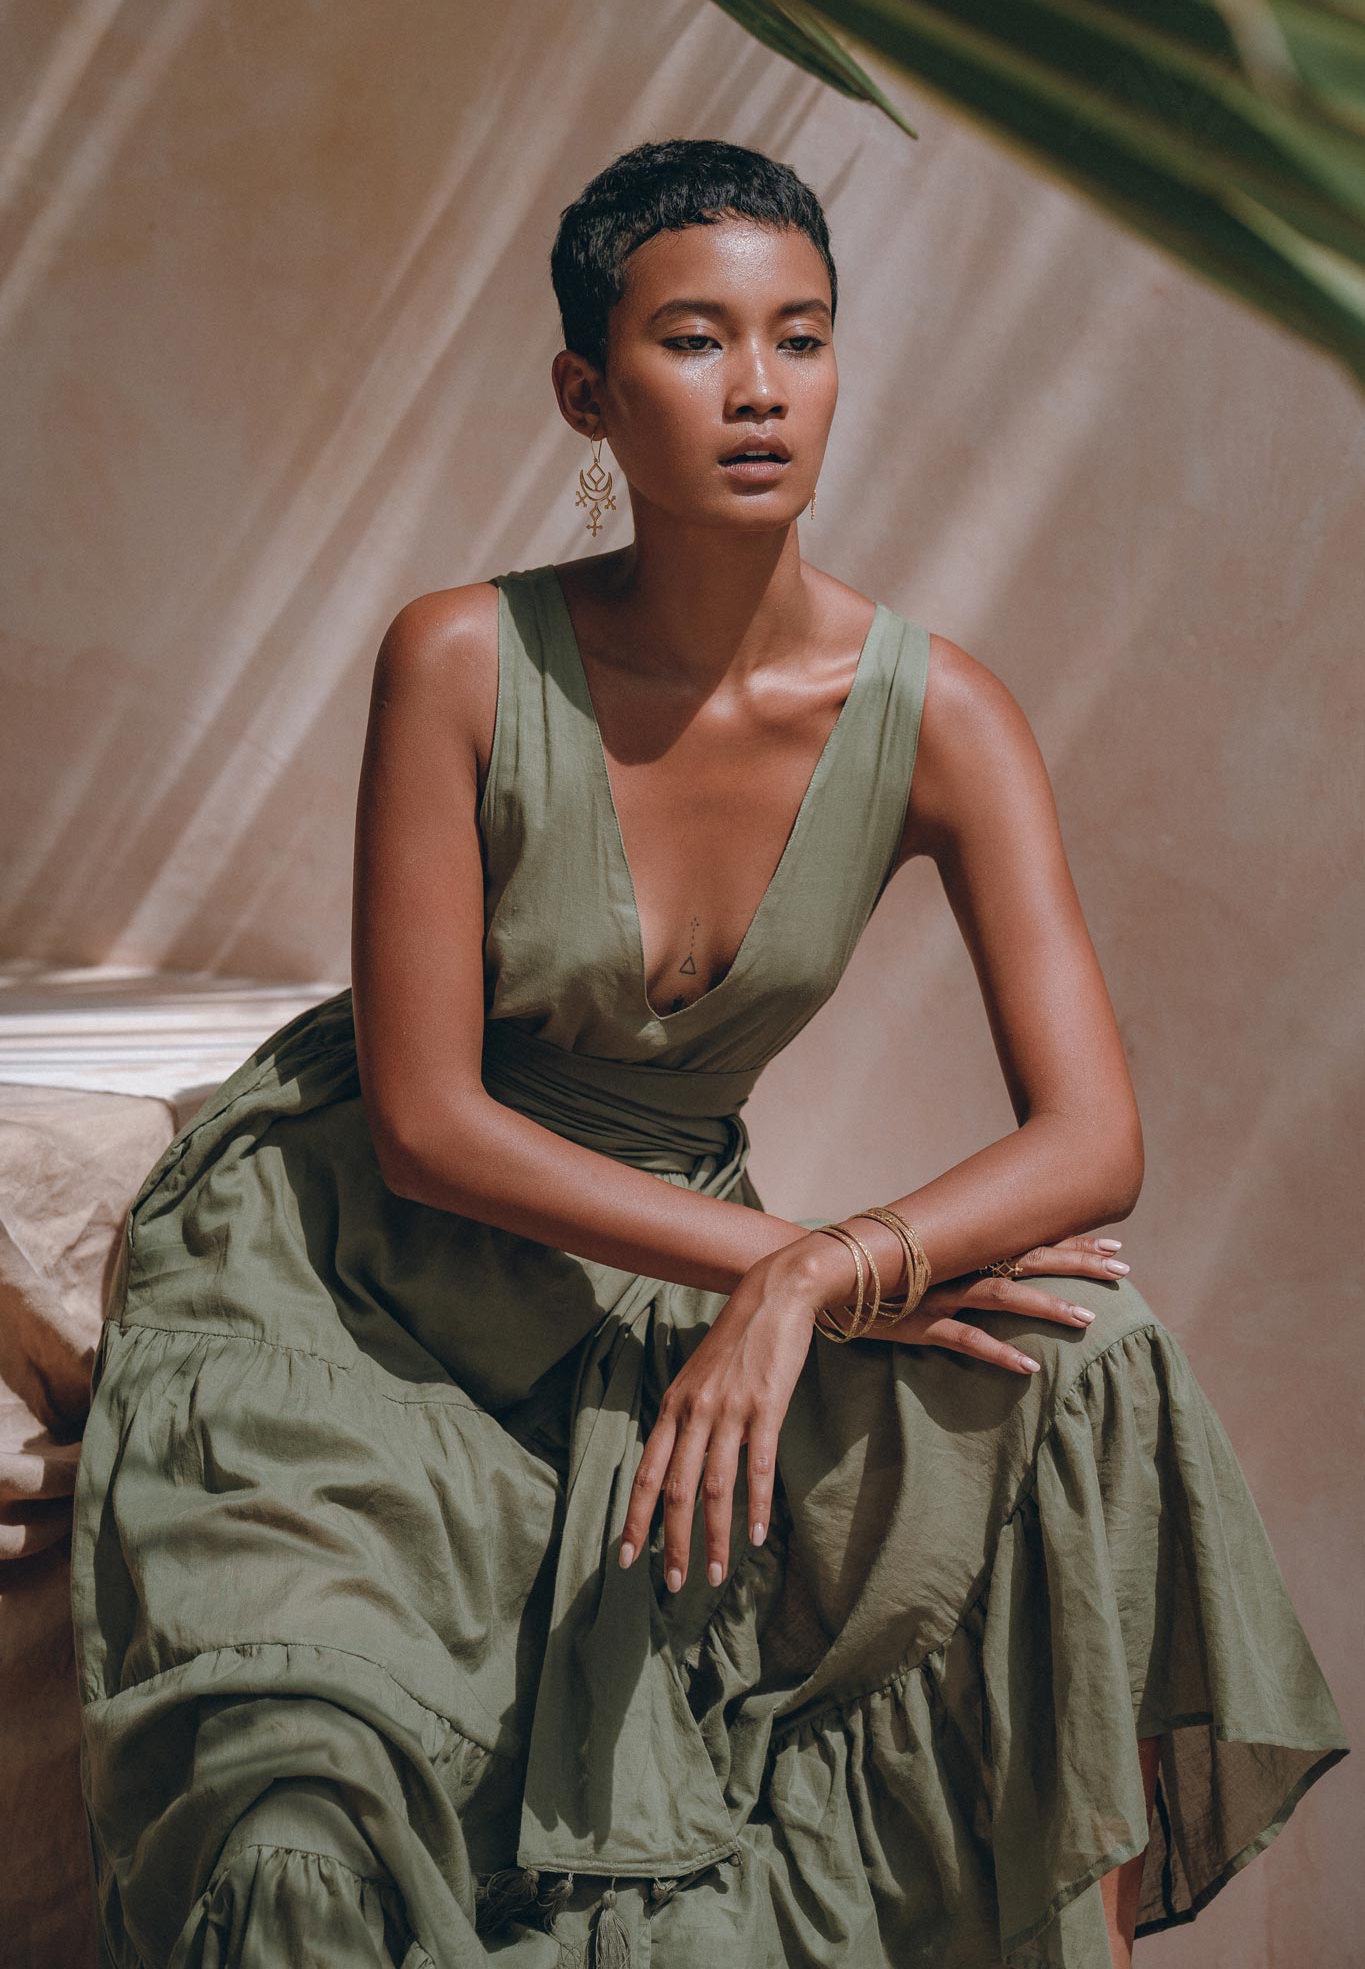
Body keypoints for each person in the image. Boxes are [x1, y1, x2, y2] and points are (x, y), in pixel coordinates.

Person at [70, 137, 1347, 1969]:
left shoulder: (940, 717)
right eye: (693, 339)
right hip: (360, 1279)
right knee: (301, 1796)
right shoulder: (454, 659)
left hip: (662, 1271)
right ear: (586, 389)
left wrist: (819, 1273)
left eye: (801, 337)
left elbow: (1092, 1138)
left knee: (1100, 1360)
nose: (758, 389)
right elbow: (428, 1122)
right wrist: (782, 1270)